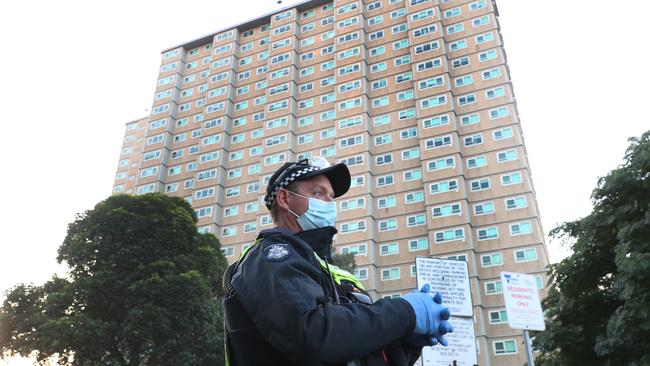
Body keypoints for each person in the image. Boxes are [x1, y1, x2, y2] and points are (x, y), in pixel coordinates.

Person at [222, 157, 453, 366]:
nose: (329, 204)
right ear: (285, 198)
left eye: (331, 197)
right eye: (318, 194)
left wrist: (407, 339)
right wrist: (404, 313)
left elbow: (356, 347)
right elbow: (313, 334)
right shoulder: (271, 256)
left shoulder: (336, 274)